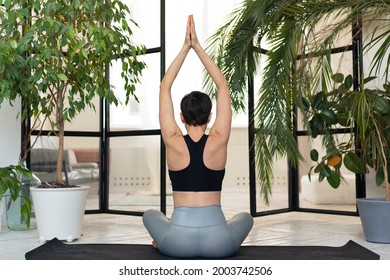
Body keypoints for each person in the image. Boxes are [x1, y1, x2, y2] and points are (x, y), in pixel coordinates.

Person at [142, 15, 253, 258]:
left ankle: (162, 240)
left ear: (181, 117)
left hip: (176, 243)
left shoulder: (172, 139)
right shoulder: (219, 138)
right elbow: (223, 85)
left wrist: (185, 48)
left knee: (150, 214)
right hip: (219, 243)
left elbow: (164, 87)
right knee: (245, 218)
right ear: (210, 116)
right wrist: (198, 48)